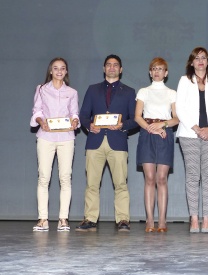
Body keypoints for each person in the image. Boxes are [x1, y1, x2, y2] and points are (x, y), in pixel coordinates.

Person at [76, 54, 137, 232]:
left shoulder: (129, 91)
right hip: (95, 141)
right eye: (108, 65)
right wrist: (89, 125)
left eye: (115, 65)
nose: (112, 67)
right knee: (92, 184)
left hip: (117, 142)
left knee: (120, 184)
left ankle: (123, 220)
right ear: (104, 69)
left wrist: (122, 125)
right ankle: (90, 219)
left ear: (121, 69)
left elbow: (135, 119)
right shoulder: (92, 89)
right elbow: (83, 116)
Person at [176, 47, 208, 233]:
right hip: (189, 134)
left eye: (204, 57)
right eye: (197, 58)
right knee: (192, 177)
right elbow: (179, 108)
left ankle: (206, 220)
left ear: (207, 61)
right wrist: (197, 129)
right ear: (191, 62)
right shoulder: (184, 81)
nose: (200, 61)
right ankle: (194, 219)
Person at [30, 57, 80, 232]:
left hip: (66, 137)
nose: (59, 71)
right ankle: (42, 219)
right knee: (44, 177)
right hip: (46, 137)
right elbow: (37, 110)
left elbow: (74, 112)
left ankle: (63, 219)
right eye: (56, 68)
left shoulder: (72, 92)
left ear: (66, 72)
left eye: (63, 68)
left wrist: (75, 121)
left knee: (65, 178)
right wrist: (40, 121)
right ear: (50, 71)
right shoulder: (42, 89)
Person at [135, 57, 179, 233]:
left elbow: (176, 118)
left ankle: (162, 221)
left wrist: (163, 125)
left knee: (161, 179)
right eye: (154, 68)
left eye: (160, 69)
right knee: (149, 178)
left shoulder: (171, 93)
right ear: (150, 72)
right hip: (147, 133)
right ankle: (149, 221)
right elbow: (138, 116)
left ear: (166, 73)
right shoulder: (144, 92)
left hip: (164, 135)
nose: (157, 71)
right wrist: (151, 128)